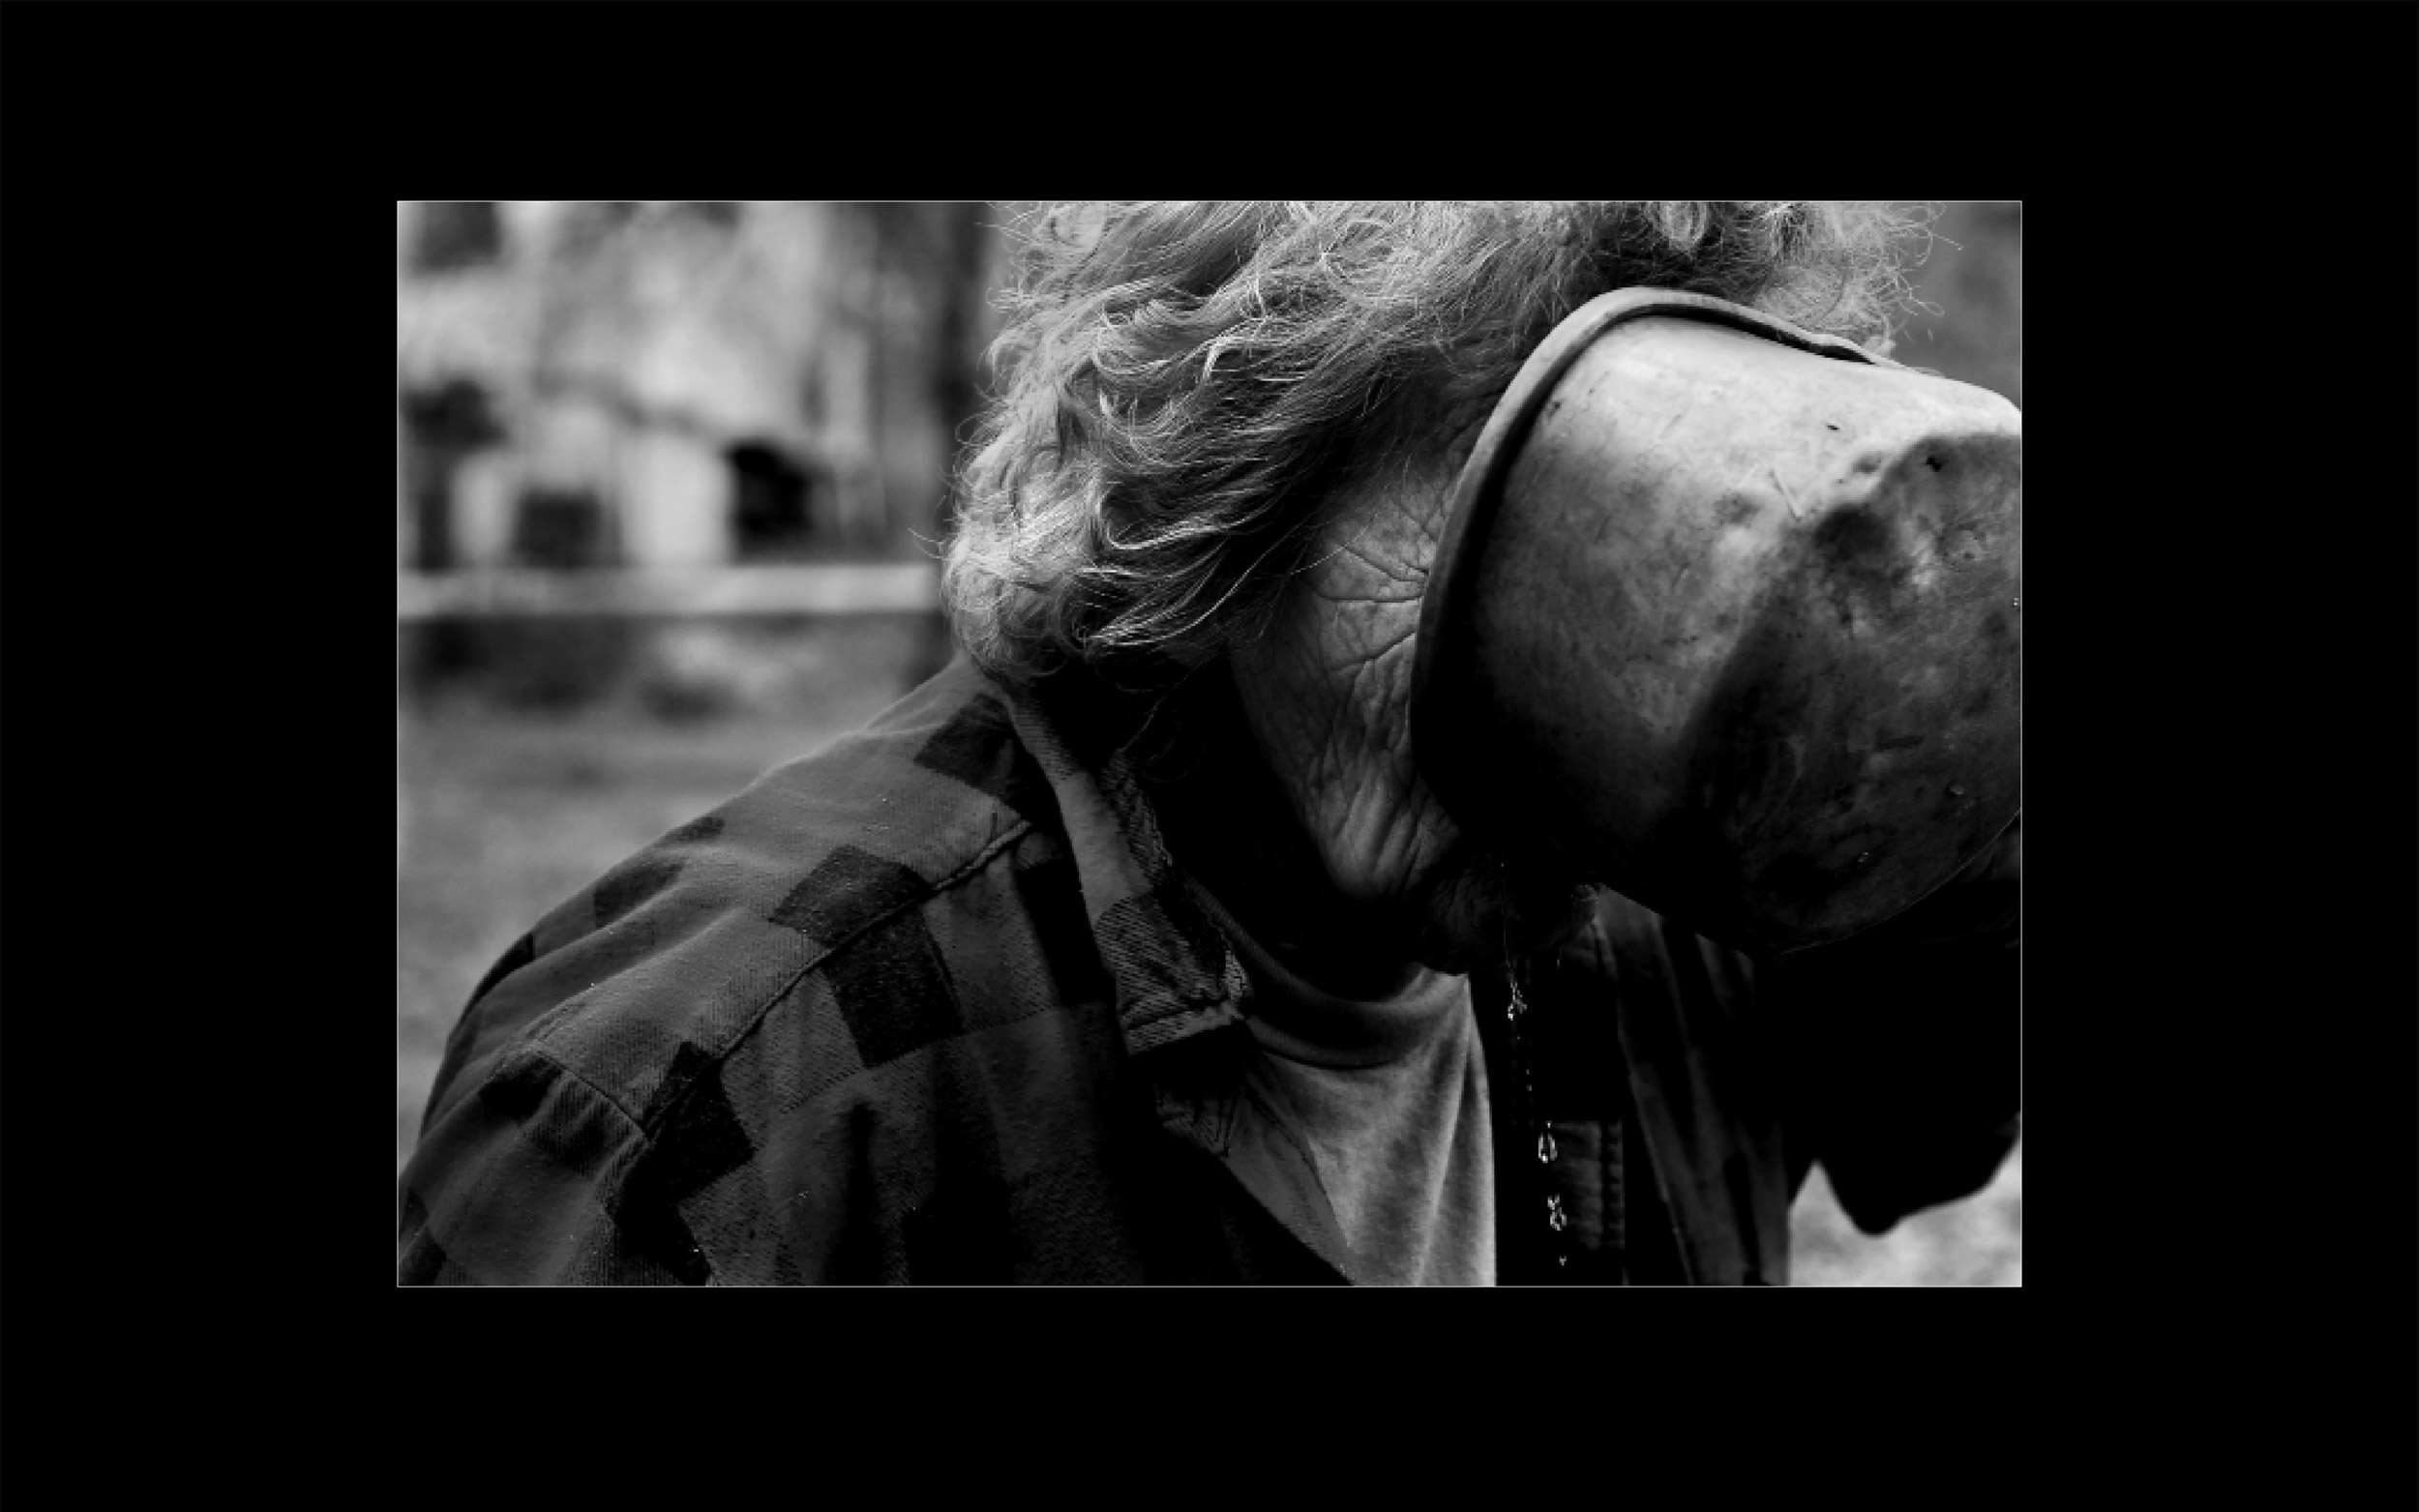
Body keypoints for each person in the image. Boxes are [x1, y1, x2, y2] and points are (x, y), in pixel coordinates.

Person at [397, 201, 2020, 1286]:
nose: (1631, 645)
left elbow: (1927, 1113)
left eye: (1690, 525)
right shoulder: (718, 1107)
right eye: (1540, 511)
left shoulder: (1646, 909)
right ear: (1223, 507)